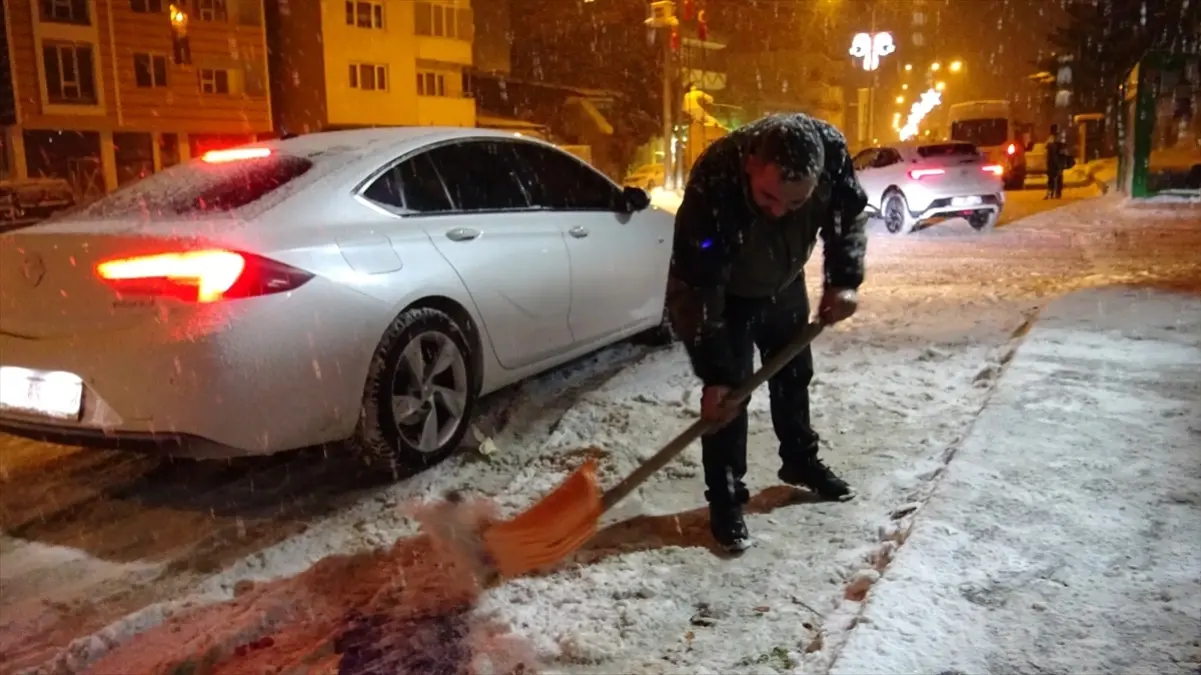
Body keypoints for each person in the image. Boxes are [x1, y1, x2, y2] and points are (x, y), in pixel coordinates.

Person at [665, 112, 868, 553]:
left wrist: (843, 279)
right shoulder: (715, 178)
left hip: (783, 281)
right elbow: (695, 282)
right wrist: (713, 371)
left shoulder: (830, 152)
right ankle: (725, 495)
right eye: (768, 197)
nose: (778, 211)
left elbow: (846, 218)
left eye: (795, 204)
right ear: (751, 162)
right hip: (726, 294)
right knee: (729, 400)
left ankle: (800, 460)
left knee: (794, 375)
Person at [1045, 124, 1066, 200]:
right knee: (1056, 177)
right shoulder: (1056, 138)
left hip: (1053, 161)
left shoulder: (1051, 139)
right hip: (1055, 161)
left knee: (1053, 178)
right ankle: (1056, 193)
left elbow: (1049, 151)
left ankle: (1053, 193)